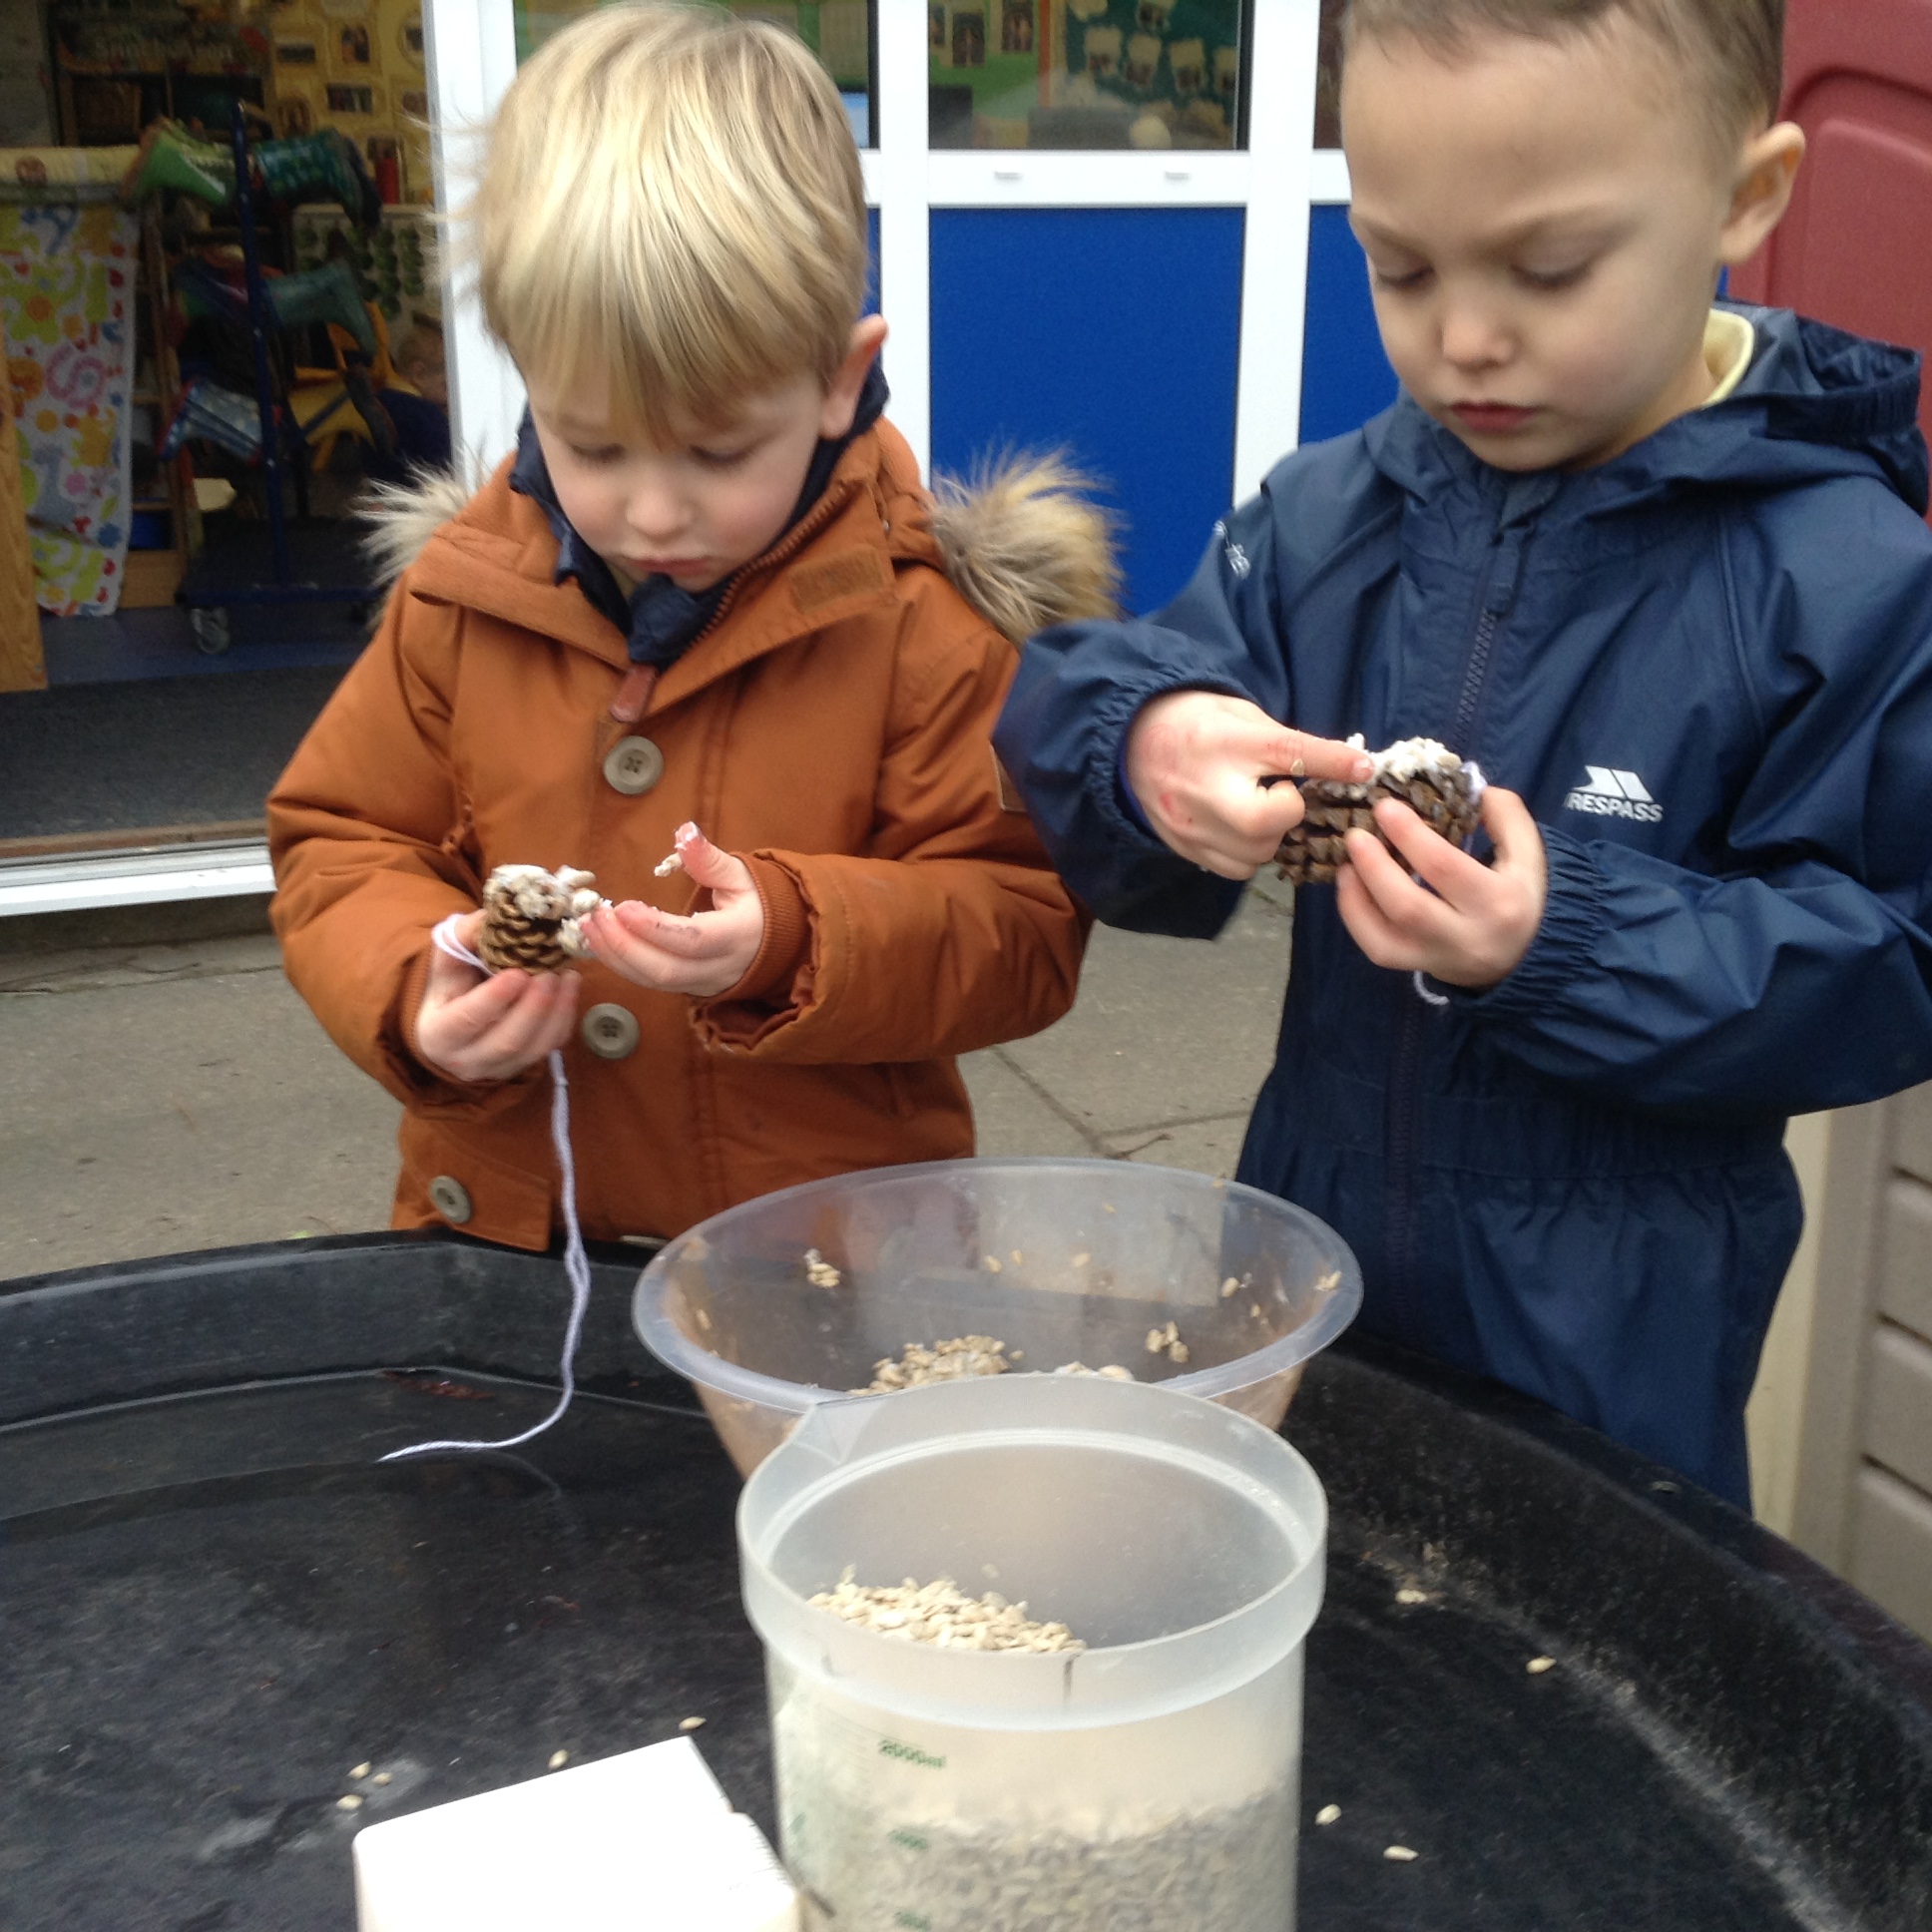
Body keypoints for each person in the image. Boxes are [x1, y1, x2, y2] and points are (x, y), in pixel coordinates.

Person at [994, 0, 1932, 1507]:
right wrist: (1147, 741)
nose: (1467, 337)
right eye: (1400, 264)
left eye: (1550, 268)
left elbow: (1893, 965)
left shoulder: (1847, 575)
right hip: (1315, 1237)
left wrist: (1564, 941)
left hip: (1622, 1312)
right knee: (1309, 1617)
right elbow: (1088, 693)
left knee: (1585, 1674)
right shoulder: (1330, 515)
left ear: (1747, 198)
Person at [269, 4, 1112, 1252]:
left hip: (822, 1268)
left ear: (838, 375)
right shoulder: (460, 599)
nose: (652, 509)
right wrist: (412, 985)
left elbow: (1020, 921)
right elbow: (341, 841)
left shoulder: (921, 624)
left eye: (719, 449)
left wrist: (797, 934)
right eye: (595, 443)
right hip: (504, 1240)